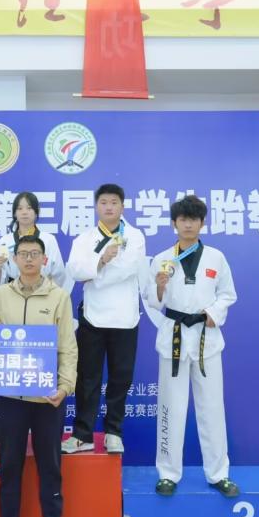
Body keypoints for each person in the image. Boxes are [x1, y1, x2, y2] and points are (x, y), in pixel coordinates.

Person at [0, 235, 77, 517]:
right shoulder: (1, 295)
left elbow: (68, 346)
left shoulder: (59, 296)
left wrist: (64, 387)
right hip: (11, 397)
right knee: (9, 466)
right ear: (14, 259)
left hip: (48, 399)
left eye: (34, 254)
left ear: (44, 260)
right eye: (23, 254)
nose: (28, 259)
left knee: (50, 467)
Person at [143, 195, 239, 498]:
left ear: (202, 223)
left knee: (212, 407)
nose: (188, 224)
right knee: (170, 407)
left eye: (193, 219)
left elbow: (228, 294)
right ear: (174, 223)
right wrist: (159, 287)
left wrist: (213, 313)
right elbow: (151, 300)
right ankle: (168, 473)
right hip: (172, 338)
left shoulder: (216, 257)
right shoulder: (162, 259)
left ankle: (218, 473)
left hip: (206, 339)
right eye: (183, 219)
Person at [64, 183, 146, 455]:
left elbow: (129, 268)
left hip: (125, 318)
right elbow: (74, 270)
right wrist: (100, 261)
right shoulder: (84, 238)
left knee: (121, 377)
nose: (109, 207)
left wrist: (94, 273)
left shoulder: (134, 236)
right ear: (96, 206)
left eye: (114, 202)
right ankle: (82, 434)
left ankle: (113, 432)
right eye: (104, 202)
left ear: (122, 206)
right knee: (87, 378)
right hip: (93, 316)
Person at [0, 191, 72, 296]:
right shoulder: (4, 242)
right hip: (12, 294)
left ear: (36, 212)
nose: (24, 212)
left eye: (29, 208)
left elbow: (59, 274)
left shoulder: (48, 240)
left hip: (41, 293)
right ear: (14, 213)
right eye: (20, 208)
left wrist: (48, 294)